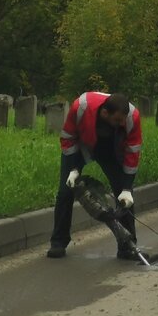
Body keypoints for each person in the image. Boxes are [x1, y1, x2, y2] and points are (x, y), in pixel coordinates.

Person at [47, 91, 143, 259]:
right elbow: (68, 137)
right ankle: (58, 242)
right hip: (84, 146)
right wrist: (73, 169)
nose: (121, 124)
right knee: (65, 190)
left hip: (113, 151)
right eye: (117, 120)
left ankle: (127, 246)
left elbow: (132, 153)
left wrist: (127, 187)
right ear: (105, 113)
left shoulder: (131, 117)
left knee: (124, 196)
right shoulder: (81, 107)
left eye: (122, 120)